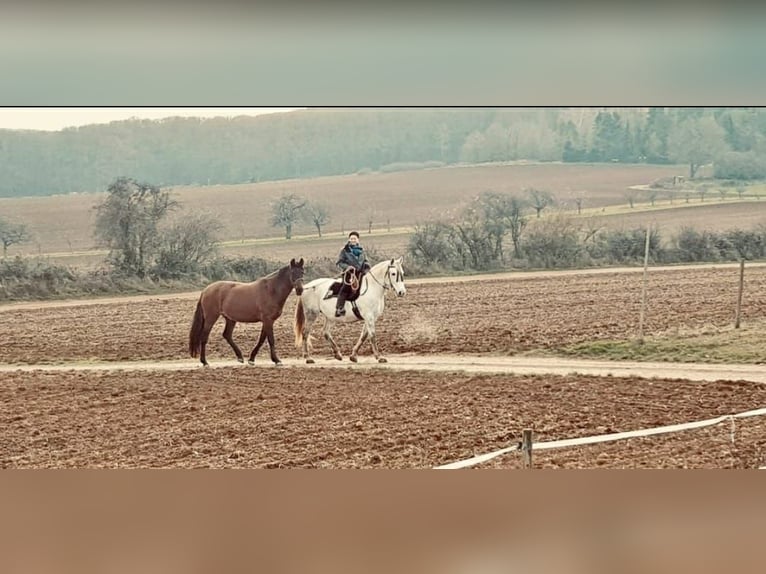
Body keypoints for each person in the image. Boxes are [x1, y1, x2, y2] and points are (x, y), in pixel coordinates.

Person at [335, 231, 369, 316]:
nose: (353, 240)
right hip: (349, 274)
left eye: (354, 238)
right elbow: (339, 262)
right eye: (351, 238)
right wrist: (347, 267)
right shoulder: (344, 250)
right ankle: (339, 308)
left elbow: (366, 261)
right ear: (349, 240)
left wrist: (367, 269)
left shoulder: (362, 251)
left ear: (358, 240)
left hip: (360, 273)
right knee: (345, 288)